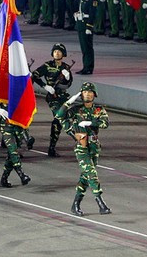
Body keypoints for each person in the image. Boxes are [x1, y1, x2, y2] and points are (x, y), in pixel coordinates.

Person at [55, 82, 111, 216]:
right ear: (81, 94)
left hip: (94, 146)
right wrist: (69, 102)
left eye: (90, 92)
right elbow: (59, 115)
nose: (88, 94)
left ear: (94, 95)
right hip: (81, 146)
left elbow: (105, 123)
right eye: (85, 92)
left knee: (86, 176)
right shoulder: (75, 110)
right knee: (91, 174)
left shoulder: (99, 110)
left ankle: (76, 204)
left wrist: (91, 122)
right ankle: (100, 202)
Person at [31, 43, 73, 157]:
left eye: (59, 51)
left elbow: (68, 85)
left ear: (63, 54)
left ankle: (52, 148)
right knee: (59, 116)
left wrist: (67, 77)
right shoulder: (48, 65)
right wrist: (45, 86)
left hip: (63, 97)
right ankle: (77, 139)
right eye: (55, 51)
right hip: (52, 98)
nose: (57, 53)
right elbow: (35, 75)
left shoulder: (66, 67)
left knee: (58, 121)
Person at [74, 0, 97, 75]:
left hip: (86, 24)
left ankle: (89, 67)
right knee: (83, 47)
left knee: (87, 47)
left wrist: (89, 26)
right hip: (81, 24)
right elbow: (74, 2)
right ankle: (85, 66)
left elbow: (92, 14)